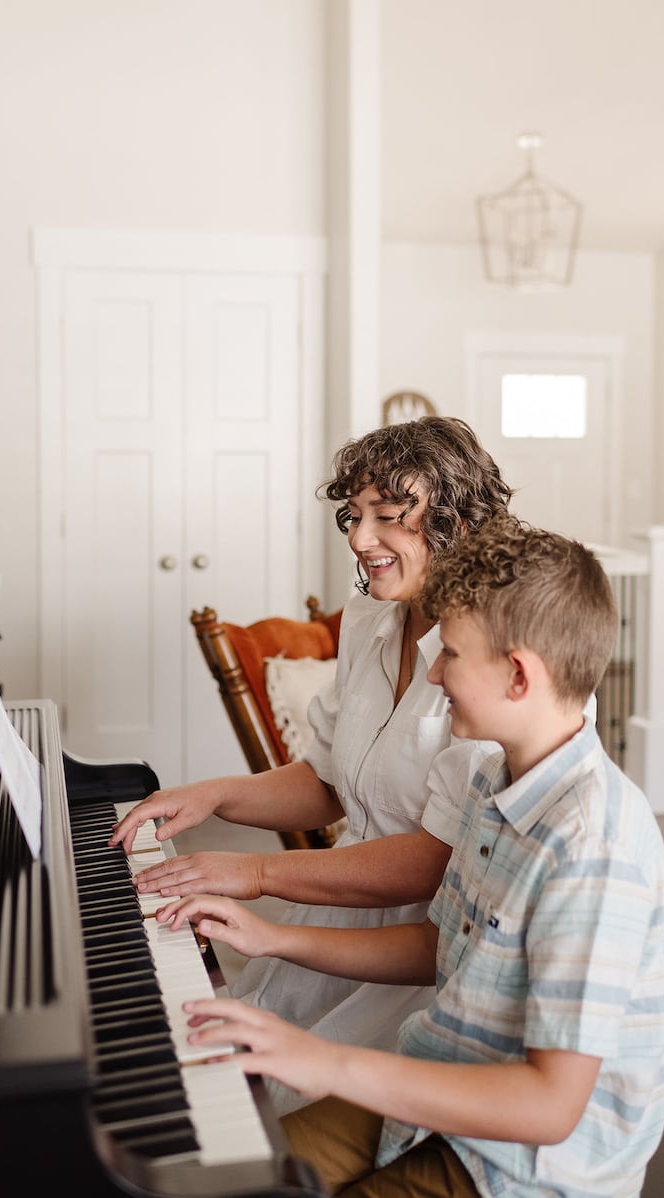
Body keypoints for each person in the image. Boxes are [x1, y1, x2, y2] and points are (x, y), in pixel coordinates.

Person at [163, 516, 664, 1198]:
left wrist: (329, 1063)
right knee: (233, 1173)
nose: (433, 672)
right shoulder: (493, 780)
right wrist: (273, 937)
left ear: (519, 677)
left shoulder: (592, 848)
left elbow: (550, 1108)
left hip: (520, 1167)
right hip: (443, 1070)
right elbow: (439, 945)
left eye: (453, 655)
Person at [110, 416, 512, 1113]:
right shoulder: (370, 618)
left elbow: (435, 860)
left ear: (460, 521)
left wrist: (255, 872)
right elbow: (327, 780)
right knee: (218, 1074)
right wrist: (214, 796)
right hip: (338, 921)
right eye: (354, 517)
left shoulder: (489, 655)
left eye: (388, 516)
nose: (360, 540)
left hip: (424, 955)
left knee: (267, 1113)